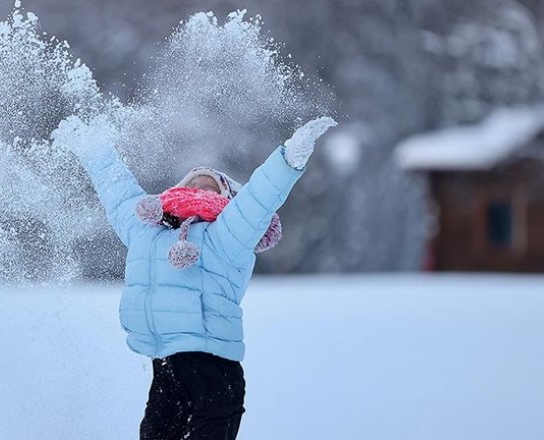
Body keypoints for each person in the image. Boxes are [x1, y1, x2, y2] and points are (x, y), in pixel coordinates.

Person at [50, 114, 336, 440]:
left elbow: (258, 199)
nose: (199, 185)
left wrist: (288, 159)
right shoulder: (147, 229)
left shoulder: (226, 234)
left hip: (214, 366)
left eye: (211, 185)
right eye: (193, 182)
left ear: (227, 200)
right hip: (167, 364)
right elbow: (117, 191)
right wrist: (92, 148)